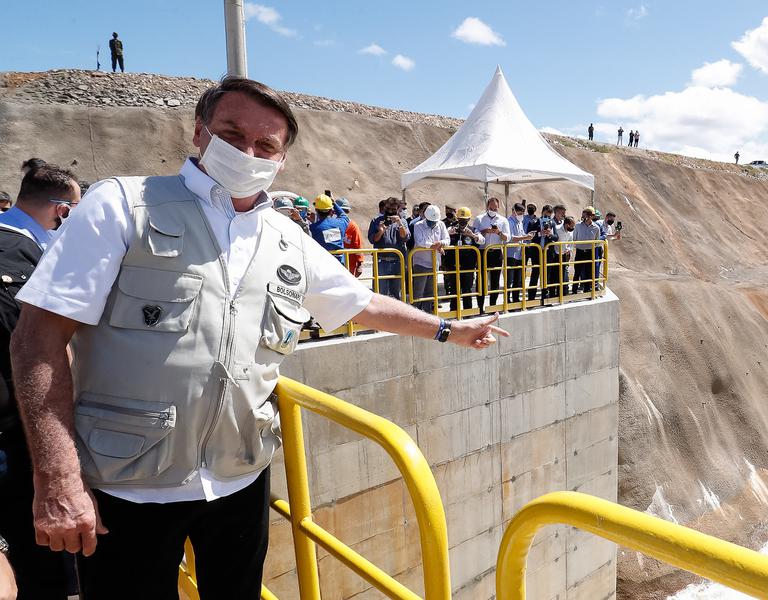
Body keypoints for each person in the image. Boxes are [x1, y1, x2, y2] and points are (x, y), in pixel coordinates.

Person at [9, 75, 508, 600]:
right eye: (231, 132)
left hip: (238, 480)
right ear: (200, 133)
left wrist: (449, 329)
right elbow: (37, 340)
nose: (247, 151)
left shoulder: (286, 237)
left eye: (265, 144)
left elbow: (361, 302)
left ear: (281, 160)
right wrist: (58, 476)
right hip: (127, 487)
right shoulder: (123, 206)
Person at [0, 162, 81, 600]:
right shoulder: (23, 257)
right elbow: (38, 357)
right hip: (16, 438)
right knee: (41, 567)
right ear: (61, 211)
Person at [471, 197, 510, 307]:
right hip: (483, 252)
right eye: (491, 208)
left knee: (495, 279)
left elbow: (507, 238)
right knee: (481, 279)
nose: (493, 210)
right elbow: (474, 234)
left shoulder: (503, 220)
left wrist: (499, 232)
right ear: (488, 206)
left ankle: (493, 306)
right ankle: (480, 306)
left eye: (496, 208)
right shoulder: (479, 219)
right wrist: (485, 231)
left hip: (496, 252)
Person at [409, 205, 449, 314]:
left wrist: (440, 243)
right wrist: (436, 246)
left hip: (434, 263)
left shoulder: (440, 224)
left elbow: (447, 239)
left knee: (430, 293)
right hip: (421, 263)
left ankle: (428, 315)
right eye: (431, 221)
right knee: (418, 292)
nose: (433, 223)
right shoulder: (418, 225)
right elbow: (421, 241)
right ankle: (414, 315)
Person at [369, 197, 410, 300]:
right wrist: (381, 231)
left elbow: (405, 238)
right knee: (380, 293)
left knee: (397, 293)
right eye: (388, 208)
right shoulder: (376, 221)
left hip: (398, 261)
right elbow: (373, 240)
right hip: (381, 262)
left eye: (393, 209)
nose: (390, 211)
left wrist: (399, 224)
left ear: (397, 209)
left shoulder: (403, 222)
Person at [446, 207, 483, 313]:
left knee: (467, 289)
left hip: (468, 265)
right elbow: (441, 238)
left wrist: (472, 236)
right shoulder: (450, 229)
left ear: (469, 218)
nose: (463, 221)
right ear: (457, 218)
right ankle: (454, 312)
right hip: (452, 264)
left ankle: (468, 312)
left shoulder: (473, 229)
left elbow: (481, 240)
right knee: (454, 290)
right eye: (461, 219)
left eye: (465, 219)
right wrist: (448, 234)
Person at [505, 203, 534, 305]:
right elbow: (511, 238)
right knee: (509, 279)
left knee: (518, 278)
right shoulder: (509, 222)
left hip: (520, 253)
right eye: (519, 213)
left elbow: (521, 236)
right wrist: (525, 238)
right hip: (511, 254)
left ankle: (516, 299)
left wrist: (527, 237)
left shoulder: (520, 222)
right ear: (513, 211)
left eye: (522, 213)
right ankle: (507, 300)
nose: (521, 215)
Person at [309, 194, 350, 264]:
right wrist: (334, 203)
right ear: (331, 210)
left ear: (316, 210)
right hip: (340, 265)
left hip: (323, 265)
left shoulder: (313, 228)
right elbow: (344, 216)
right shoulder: (340, 223)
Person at [572, 209, 601, 294]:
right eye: (583, 215)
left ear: (591, 216)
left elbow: (597, 241)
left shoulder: (596, 228)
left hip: (589, 252)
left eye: (586, 215)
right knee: (577, 271)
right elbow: (574, 238)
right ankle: (574, 290)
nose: (584, 217)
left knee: (589, 272)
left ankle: (587, 290)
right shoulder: (578, 226)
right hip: (580, 251)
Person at [545, 205, 569, 300]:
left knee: (562, 273)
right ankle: (551, 293)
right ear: (556, 212)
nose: (563, 214)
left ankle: (560, 293)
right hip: (552, 253)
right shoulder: (551, 222)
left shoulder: (564, 223)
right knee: (552, 274)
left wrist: (568, 248)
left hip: (562, 252)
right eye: (561, 212)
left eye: (564, 212)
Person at [336, 198, 364, 277]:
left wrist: (359, 264)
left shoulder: (352, 226)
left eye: (344, 211)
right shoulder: (332, 224)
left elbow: (358, 245)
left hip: (349, 263)